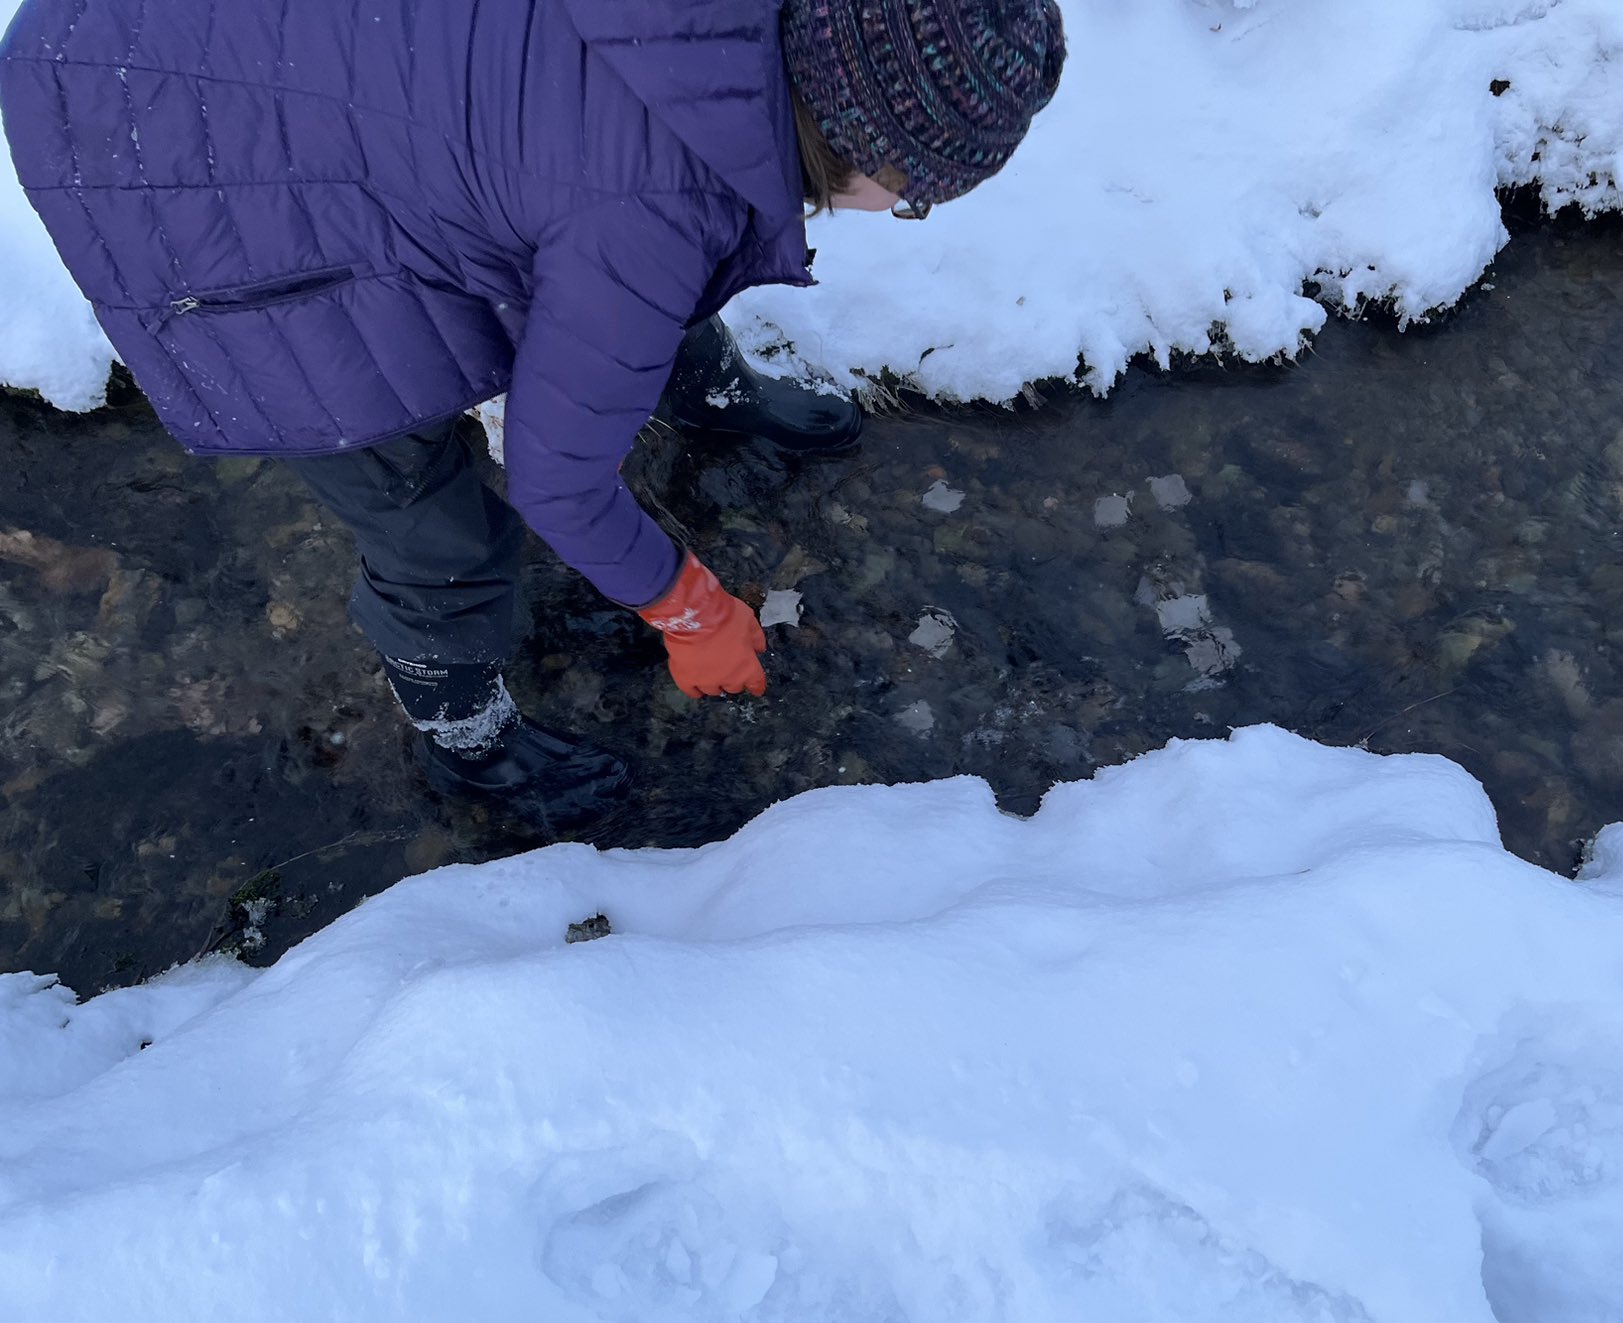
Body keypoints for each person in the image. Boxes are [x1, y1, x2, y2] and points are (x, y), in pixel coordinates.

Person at [0, 0, 1066, 822]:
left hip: (257, 47)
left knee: (604, 268)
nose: (903, 213)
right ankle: (460, 729)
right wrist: (687, 607)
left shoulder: (730, 50)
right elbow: (554, 481)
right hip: (157, 143)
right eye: (914, 191)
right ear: (854, 137)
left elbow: (638, 235)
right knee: (434, 519)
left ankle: (704, 390)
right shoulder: (651, 209)